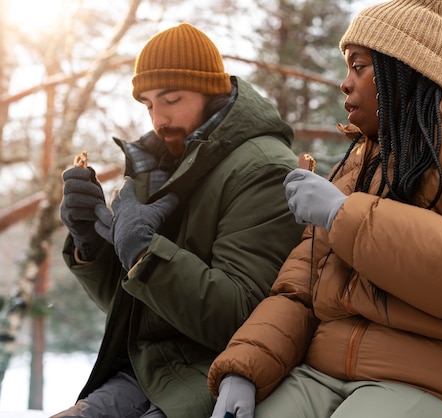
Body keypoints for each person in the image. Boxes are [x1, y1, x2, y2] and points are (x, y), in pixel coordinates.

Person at [207, 0, 442, 417]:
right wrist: (246, 368)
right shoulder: (358, 164)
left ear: (405, 69)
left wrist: (343, 216)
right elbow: (299, 290)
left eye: (359, 66)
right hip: (323, 373)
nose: (344, 83)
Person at [54, 22, 304, 418]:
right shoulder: (161, 165)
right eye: (149, 104)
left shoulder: (262, 168)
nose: (158, 119)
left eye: (171, 99)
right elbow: (140, 310)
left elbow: (244, 317)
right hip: (150, 372)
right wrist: (92, 244)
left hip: (215, 377)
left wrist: (143, 254)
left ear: (212, 92)